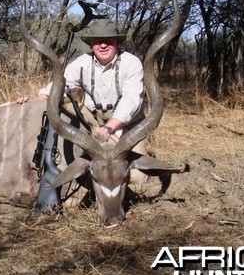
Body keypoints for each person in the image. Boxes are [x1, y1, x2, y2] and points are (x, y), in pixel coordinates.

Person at [17, 18, 148, 182]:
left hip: (126, 130)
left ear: (117, 42)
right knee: (63, 101)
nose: (103, 45)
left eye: (108, 40)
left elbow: (131, 101)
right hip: (93, 125)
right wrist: (38, 99)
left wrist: (108, 129)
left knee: (136, 178)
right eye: (98, 41)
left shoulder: (131, 63)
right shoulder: (83, 62)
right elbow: (61, 83)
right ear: (91, 44)